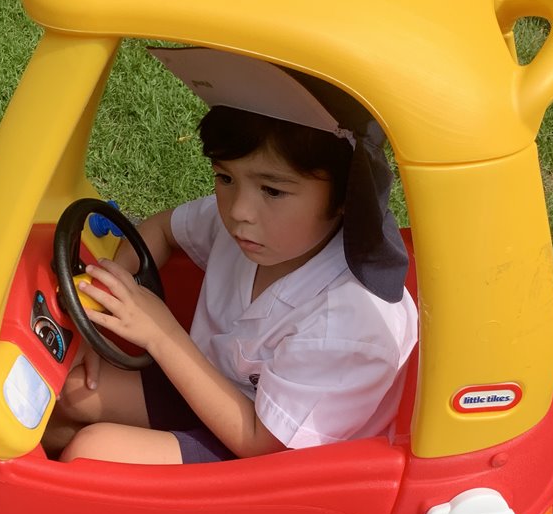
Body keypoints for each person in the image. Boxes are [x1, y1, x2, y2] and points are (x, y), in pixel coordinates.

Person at [50, 48, 418, 465]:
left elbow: (261, 443)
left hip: (273, 458)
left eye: (272, 190)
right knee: (71, 393)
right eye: (225, 177)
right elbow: (162, 229)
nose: (239, 210)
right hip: (212, 385)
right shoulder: (256, 231)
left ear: (345, 197)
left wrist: (161, 333)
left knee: (91, 451)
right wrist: (102, 302)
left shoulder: (349, 322)